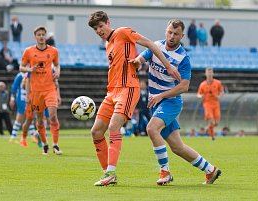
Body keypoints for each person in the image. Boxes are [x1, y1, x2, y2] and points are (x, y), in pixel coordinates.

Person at [88, 10, 180, 186]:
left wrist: (167, 66)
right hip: (111, 92)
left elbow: (150, 45)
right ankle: (107, 174)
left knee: (114, 126)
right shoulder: (108, 45)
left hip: (128, 89)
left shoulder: (123, 32)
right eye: (96, 29)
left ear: (108, 22)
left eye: (101, 26)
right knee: (96, 132)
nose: (99, 30)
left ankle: (110, 173)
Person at [131, 19, 221, 186]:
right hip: (156, 103)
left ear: (182, 36)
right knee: (177, 147)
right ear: (166, 31)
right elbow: (141, 59)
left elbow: (184, 86)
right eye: (170, 32)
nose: (172, 36)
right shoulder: (156, 45)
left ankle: (165, 172)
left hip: (170, 102)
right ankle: (211, 170)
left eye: (176, 34)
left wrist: (161, 95)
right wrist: (136, 62)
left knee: (151, 129)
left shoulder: (183, 58)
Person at [19, 26, 61, 155]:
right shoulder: (29, 51)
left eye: (43, 34)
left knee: (53, 116)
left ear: (46, 36)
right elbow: (21, 67)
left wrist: (58, 71)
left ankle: (55, 145)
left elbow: (57, 64)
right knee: (40, 119)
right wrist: (30, 70)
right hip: (36, 91)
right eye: (39, 34)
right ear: (35, 36)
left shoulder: (53, 51)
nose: (41, 36)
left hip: (49, 89)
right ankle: (45, 144)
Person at [9, 72, 36, 146]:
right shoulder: (20, 75)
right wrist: (12, 98)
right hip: (21, 99)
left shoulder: (31, 74)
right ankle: (13, 137)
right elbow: (14, 87)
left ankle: (32, 136)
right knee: (21, 118)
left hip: (29, 99)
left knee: (30, 117)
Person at [197, 67, 224, 141]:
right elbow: (198, 94)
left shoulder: (218, 83)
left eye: (210, 72)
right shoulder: (202, 84)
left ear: (212, 73)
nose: (209, 74)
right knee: (212, 121)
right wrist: (200, 96)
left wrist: (219, 96)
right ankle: (212, 137)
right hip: (207, 104)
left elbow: (222, 92)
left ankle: (207, 129)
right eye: (208, 72)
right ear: (205, 74)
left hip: (216, 104)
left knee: (216, 123)